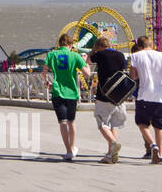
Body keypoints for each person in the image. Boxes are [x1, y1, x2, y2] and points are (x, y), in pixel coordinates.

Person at [129, 35, 162, 164]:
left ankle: (152, 145)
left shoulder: (135, 56)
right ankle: (160, 155)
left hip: (144, 95)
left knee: (142, 124)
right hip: (161, 96)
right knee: (159, 127)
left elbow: (133, 77)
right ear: (152, 45)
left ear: (139, 46)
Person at [44, 33, 89, 161]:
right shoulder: (74, 56)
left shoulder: (51, 55)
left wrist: (47, 83)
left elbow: (43, 73)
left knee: (62, 122)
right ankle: (73, 147)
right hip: (72, 93)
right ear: (70, 45)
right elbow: (87, 74)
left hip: (57, 91)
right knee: (71, 121)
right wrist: (85, 62)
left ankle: (68, 151)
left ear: (59, 44)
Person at [87, 36, 128, 164]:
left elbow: (87, 61)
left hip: (104, 94)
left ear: (99, 46)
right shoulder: (121, 55)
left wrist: (93, 51)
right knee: (113, 124)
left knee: (102, 123)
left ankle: (113, 143)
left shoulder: (99, 54)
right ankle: (111, 154)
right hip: (118, 95)